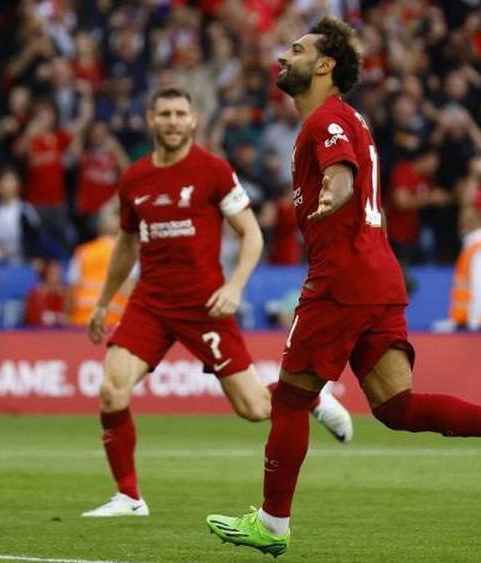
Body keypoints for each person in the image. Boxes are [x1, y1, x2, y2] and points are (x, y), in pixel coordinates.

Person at [206, 19, 481, 557]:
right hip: (376, 273)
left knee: (294, 398)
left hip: (343, 277)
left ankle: (273, 525)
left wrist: (335, 193)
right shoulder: (352, 119)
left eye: (297, 50)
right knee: (395, 406)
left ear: (324, 66)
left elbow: (343, 174)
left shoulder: (326, 119)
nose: (284, 57)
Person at [82, 86, 354, 519]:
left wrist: (235, 287)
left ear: (193, 122)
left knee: (254, 409)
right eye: (165, 114)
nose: (173, 121)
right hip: (150, 302)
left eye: (180, 114)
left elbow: (252, 233)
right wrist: (102, 303)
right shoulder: (134, 178)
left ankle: (310, 399)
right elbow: (127, 244)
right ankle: (130, 497)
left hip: (203, 303)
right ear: (151, 120)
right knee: (112, 389)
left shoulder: (213, 170)